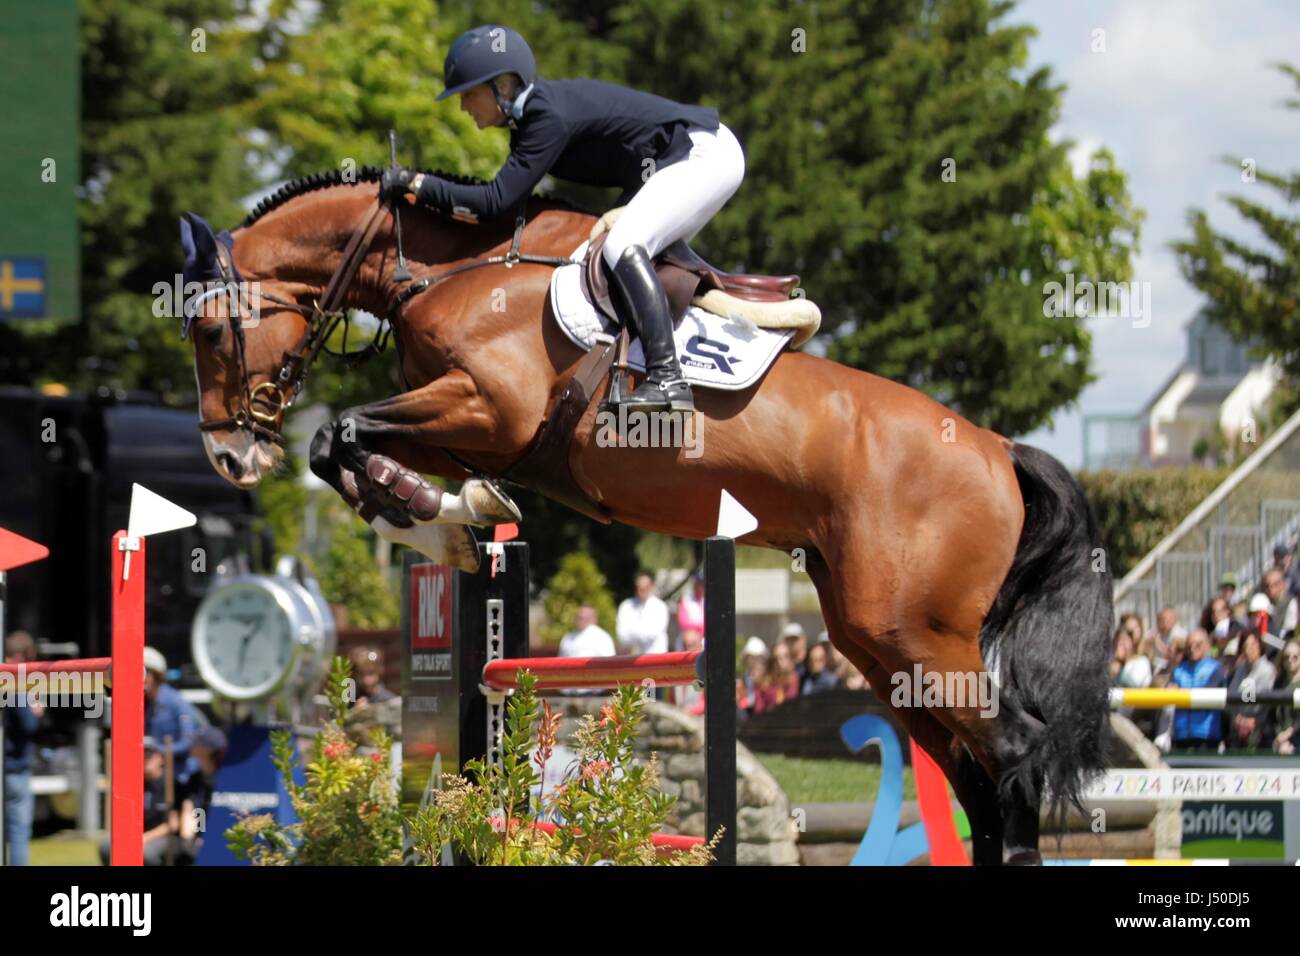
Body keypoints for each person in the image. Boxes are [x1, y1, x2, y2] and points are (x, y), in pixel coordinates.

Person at [382, 24, 746, 416]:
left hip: (702, 154)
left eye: (469, 94)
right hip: (673, 162)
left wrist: (417, 184)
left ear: (503, 88)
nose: (463, 107)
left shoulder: (545, 116)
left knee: (622, 245)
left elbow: (495, 202)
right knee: (609, 250)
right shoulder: (531, 123)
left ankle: (668, 377)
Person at [3, 631, 43, 866]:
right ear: (21, 656)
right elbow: (28, 724)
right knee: (18, 832)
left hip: (6, 765)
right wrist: (35, 710)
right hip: (14, 767)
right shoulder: (16, 680)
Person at [144, 647, 202, 786]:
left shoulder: (176, 702)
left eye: (143, 672)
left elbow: (189, 741)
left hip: (181, 777)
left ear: (155, 675)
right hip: (153, 775)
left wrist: (159, 752)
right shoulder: (142, 704)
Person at [1169, 628, 1227, 751]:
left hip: (1206, 735)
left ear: (1207, 645)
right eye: (1189, 645)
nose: (1192, 648)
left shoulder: (1216, 669)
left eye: (1198, 644)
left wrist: (1180, 694)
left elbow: (1207, 696)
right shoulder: (1178, 670)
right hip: (1181, 735)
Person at [176, 725, 227, 864]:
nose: (191, 745)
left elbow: (220, 813)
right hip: (199, 839)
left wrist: (205, 837)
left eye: (197, 742)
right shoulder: (196, 778)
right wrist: (195, 835)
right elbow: (197, 809)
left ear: (207, 750)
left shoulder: (223, 779)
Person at [1226, 631, 1278, 749]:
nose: (1248, 650)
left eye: (1252, 645)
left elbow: (1268, 704)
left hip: (1260, 732)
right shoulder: (1239, 670)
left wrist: (1254, 721)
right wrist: (1238, 719)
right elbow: (1231, 696)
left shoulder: (1268, 670)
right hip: (1237, 730)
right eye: (1245, 646)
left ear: (1260, 646)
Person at [615, 573, 669, 656]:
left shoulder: (660, 607)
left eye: (645, 588)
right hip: (631, 659)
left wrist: (632, 631)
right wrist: (642, 631)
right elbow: (621, 635)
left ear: (652, 587)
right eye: (638, 588)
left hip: (656, 658)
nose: (641, 591)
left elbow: (654, 633)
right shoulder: (626, 606)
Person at [753, 640, 800, 714]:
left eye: (784, 657)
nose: (779, 662)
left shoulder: (795, 679)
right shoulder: (763, 684)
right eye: (776, 658)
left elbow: (792, 703)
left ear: (790, 659)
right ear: (772, 661)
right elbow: (759, 710)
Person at [676, 571, 705, 642]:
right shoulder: (686, 601)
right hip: (688, 640)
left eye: (702, 584)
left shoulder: (710, 601)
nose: (699, 587)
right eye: (698, 584)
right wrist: (700, 627)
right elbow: (684, 623)